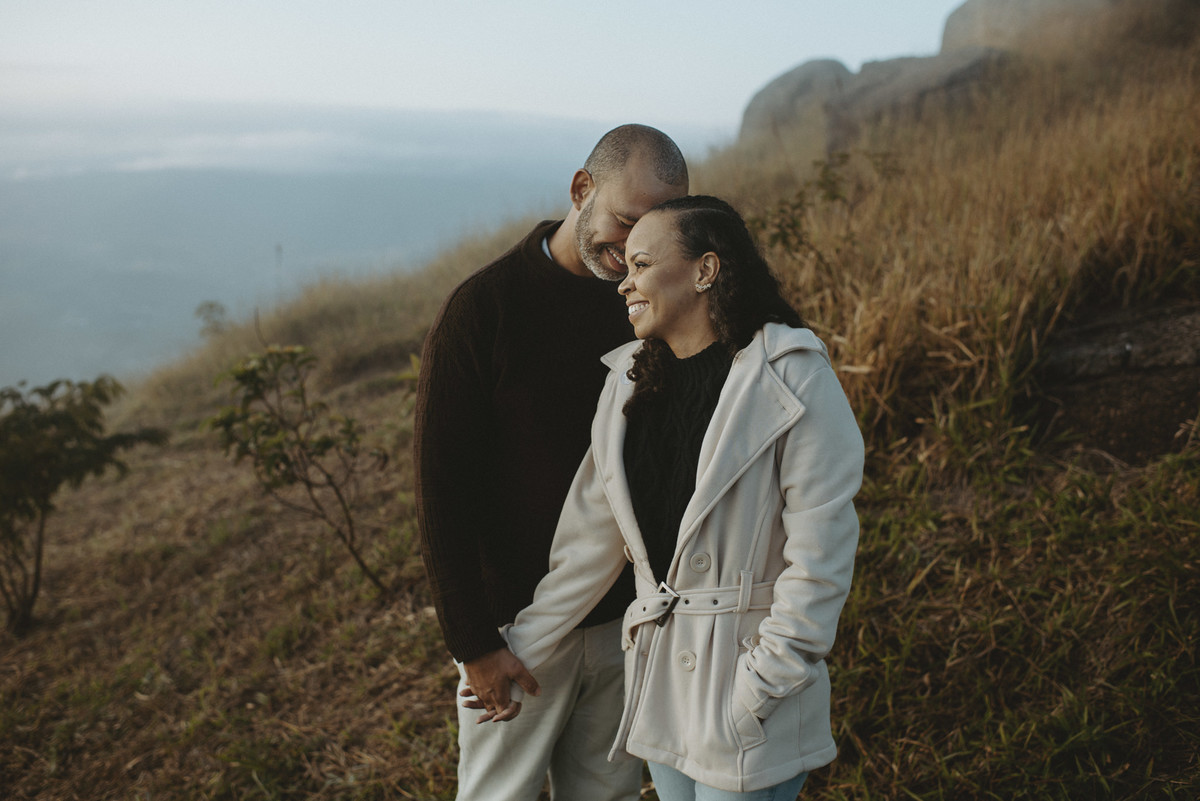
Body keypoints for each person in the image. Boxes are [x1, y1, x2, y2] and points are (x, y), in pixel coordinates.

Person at [491, 195, 865, 800]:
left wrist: (759, 687)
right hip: (663, 690)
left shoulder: (792, 374)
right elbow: (592, 543)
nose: (624, 284)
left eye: (641, 264)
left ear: (705, 271)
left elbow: (821, 556)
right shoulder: (628, 381)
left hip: (748, 695)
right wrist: (516, 651)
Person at [413, 124, 689, 801]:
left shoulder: (651, 306)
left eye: (653, 230)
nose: (632, 251)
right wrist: (474, 641)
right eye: (624, 222)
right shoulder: (483, 310)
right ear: (580, 189)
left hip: (627, 622)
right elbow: (440, 491)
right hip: (519, 627)